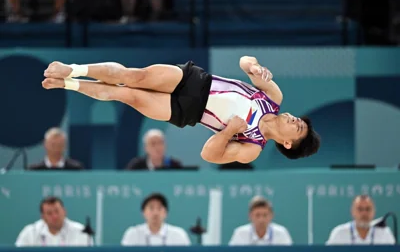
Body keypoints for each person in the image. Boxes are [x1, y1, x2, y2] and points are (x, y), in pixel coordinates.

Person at [42, 56, 321, 164]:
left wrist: (230, 132)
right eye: (298, 119)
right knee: (134, 76)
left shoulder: (252, 148)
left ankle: (67, 84)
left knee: (126, 95)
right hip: (196, 81)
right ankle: (75, 69)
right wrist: (254, 67)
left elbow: (209, 154)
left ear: (287, 143)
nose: (293, 119)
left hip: (188, 112)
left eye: (296, 127)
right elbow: (244, 61)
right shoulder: (273, 97)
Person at [15, 196, 91, 247]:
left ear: (64, 212)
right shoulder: (30, 233)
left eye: (57, 211)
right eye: (49, 213)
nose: (54, 216)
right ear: (43, 217)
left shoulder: (81, 232)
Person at [121, 193, 191, 246]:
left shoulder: (178, 234)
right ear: (143, 213)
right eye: (151, 208)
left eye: (159, 208)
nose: (155, 213)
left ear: (166, 213)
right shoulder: (132, 234)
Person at [326, 195, 395, 245]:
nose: (364, 213)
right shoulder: (339, 233)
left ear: (374, 212)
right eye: (360, 209)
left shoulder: (384, 233)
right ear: (352, 211)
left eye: (368, 209)